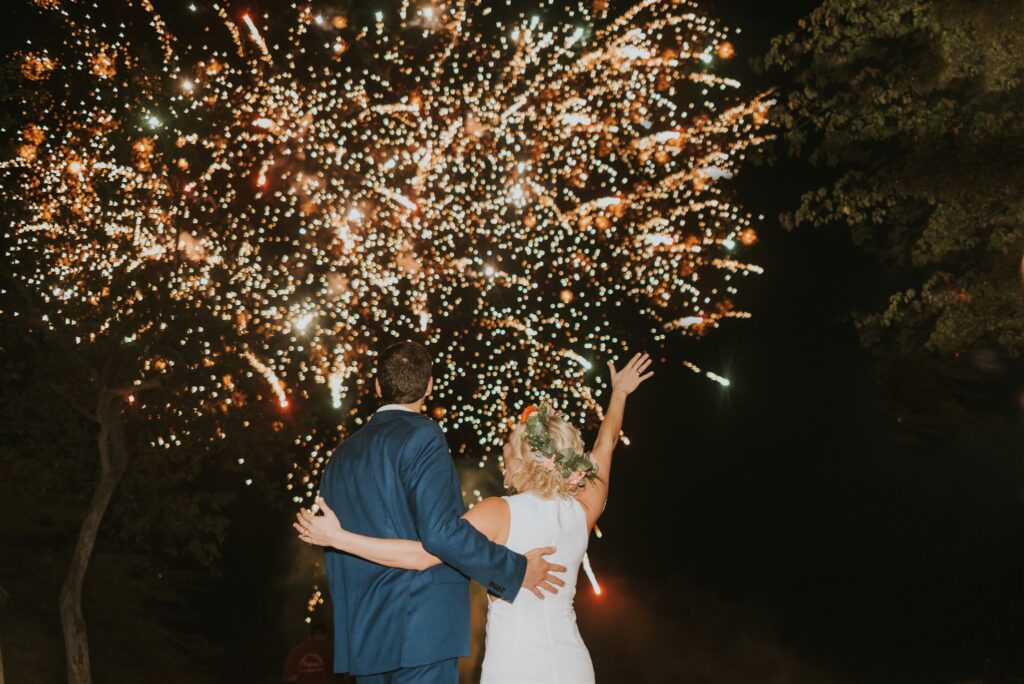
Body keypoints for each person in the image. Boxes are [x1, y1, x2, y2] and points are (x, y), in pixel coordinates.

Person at [297, 351, 653, 683]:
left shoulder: (500, 512)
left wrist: (336, 537)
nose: (503, 457)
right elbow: (604, 447)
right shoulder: (583, 508)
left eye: (508, 451)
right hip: (573, 665)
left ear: (522, 463)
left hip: (515, 666)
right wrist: (619, 394)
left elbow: (424, 553)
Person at [282, 623, 347, 684]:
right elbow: (340, 675)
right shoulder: (331, 651)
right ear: (325, 635)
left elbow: (289, 676)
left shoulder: (297, 651)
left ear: (310, 635)